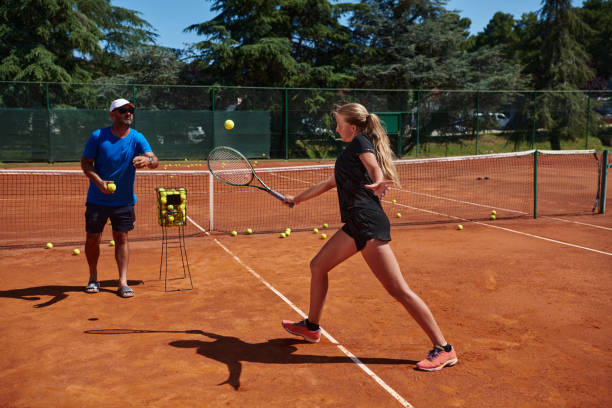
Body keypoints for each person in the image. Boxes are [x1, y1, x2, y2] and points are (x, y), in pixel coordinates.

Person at [281, 102, 458, 372]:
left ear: (352, 127)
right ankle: (311, 327)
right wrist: (297, 198)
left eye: (339, 123)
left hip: (367, 223)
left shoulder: (360, 142)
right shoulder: (348, 152)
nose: (336, 127)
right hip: (354, 224)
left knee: (398, 289)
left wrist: (377, 180)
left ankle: (444, 349)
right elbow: (330, 183)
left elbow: (374, 166)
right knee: (318, 266)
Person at [80, 98, 158, 298]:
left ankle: (122, 282)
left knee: (121, 238)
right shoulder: (98, 136)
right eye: (123, 110)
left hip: (124, 201)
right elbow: (86, 163)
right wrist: (99, 183)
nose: (129, 113)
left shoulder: (137, 137)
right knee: (92, 238)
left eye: (131, 110)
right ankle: (93, 277)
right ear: (113, 114)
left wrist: (147, 160)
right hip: (97, 199)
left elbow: (155, 160)